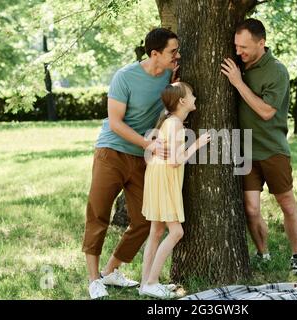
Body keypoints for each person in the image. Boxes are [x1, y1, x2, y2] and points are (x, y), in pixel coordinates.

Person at [82, 27, 181, 299]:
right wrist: (148, 144)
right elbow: (115, 123)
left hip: (140, 159)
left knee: (143, 220)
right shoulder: (125, 77)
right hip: (111, 152)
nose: (178, 55)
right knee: (98, 213)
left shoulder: (168, 77)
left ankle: (111, 271)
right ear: (154, 54)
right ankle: (94, 280)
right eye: (173, 51)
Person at [221, 18, 297, 275]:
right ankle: (263, 252)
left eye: (244, 47)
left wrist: (238, 83)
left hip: (272, 149)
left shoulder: (276, 71)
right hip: (244, 149)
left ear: (262, 43)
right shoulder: (238, 64)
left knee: (286, 203)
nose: (239, 52)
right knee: (250, 208)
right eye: (236, 46)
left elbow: (266, 111)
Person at [138, 82, 211, 299]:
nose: (195, 97)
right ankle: (151, 282)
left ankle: (145, 284)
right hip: (165, 177)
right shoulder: (176, 124)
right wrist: (197, 144)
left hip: (156, 176)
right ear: (182, 101)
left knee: (156, 232)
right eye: (192, 94)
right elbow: (175, 161)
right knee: (176, 232)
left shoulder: (170, 121)